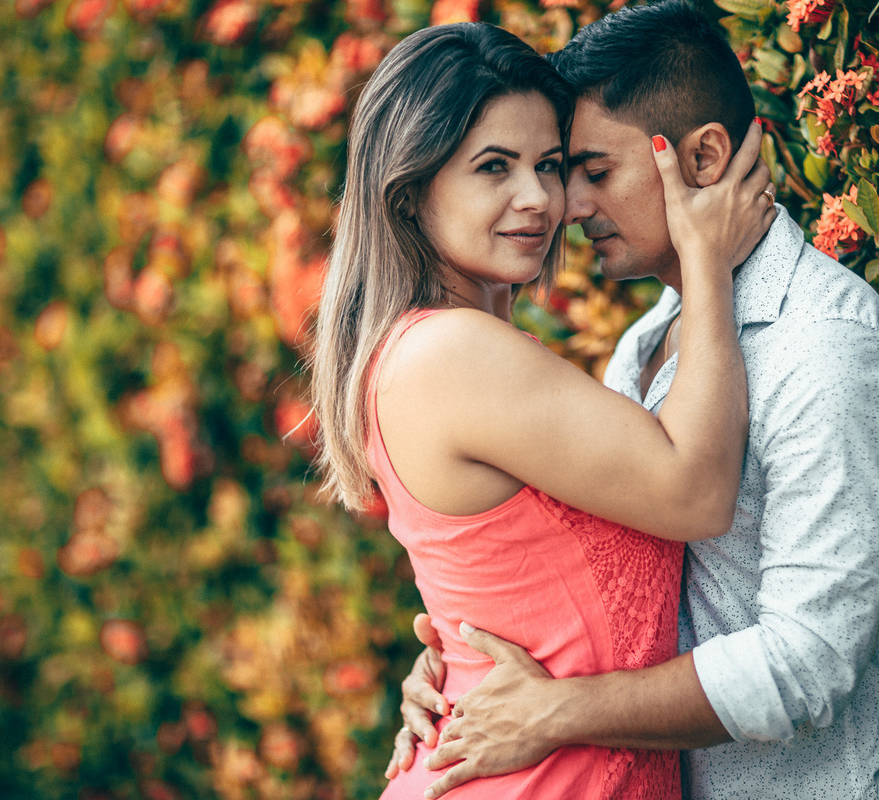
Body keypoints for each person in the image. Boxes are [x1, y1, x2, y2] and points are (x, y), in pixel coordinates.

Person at [391, 3, 879, 799]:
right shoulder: (648, 341)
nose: (566, 206)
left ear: (705, 156)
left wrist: (555, 712)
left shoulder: (827, 350)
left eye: (593, 171)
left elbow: (808, 663)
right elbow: (605, 582)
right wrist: (462, 665)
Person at [309, 20, 778, 799]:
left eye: (550, 166)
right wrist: (707, 257)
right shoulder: (452, 353)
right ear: (410, 189)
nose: (540, 200)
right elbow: (697, 493)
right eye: (494, 167)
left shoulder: (427, 350)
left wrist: (449, 663)